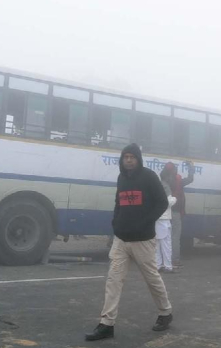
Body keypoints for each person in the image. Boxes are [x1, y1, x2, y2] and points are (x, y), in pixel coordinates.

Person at [85, 143, 173, 341]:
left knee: (152, 278)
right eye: (126, 157)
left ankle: (165, 313)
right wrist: (116, 223)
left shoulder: (149, 177)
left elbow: (162, 202)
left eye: (132, 157)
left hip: (143, 240)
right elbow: (118, 202)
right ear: (122, 160)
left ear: (138, 159)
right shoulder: (121, 178)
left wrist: (145, 222)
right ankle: (107, 324)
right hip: (121, 240)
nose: (129, 160)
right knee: (113, 280)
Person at [169, 161, 195, 268]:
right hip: (175, 212)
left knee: (165, 237)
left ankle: (165, 258)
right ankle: (175, 259)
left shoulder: (163, 181)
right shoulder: (178, 180)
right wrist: (191, 168)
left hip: (164, 213)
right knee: (175, 237)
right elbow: (190, 179)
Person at [158, 164, 178, 273]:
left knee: (156, 244)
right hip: (164, 219)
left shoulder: (157, 184)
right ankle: (168, 266)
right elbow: (167, 202)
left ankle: (158, 265)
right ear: (168, 176)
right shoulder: (165, 186)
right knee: (166, 244)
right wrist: (175, 199)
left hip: (156, 219)